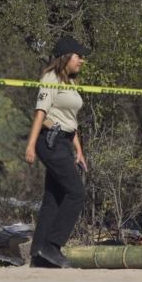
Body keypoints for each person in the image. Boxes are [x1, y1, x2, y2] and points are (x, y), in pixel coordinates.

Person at [24, 35, 92, 268]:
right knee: (76, 193)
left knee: (53, 200)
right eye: (78, 56)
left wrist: (79, 152)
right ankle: (52, 246)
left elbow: (71, 122)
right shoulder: (50, 79)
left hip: (65, 141)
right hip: (49, 142)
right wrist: (31, 145)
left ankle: (38, 255)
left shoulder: (72, 82)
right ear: (66, 58)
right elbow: (41, 114)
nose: (82, 60)